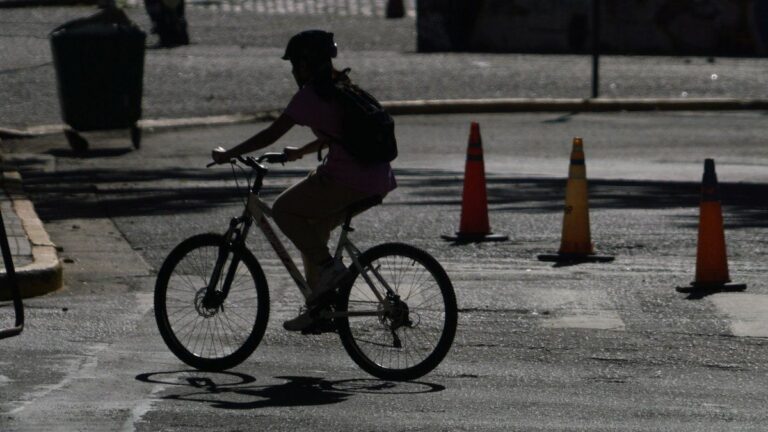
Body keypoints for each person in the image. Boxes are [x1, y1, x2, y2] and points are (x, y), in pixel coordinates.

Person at [211, 30, 397, 332]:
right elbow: (337, 135)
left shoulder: (310, 95)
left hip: (348, 178)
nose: (294, 72)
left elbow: (271, 133)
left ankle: (329, 270)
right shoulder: (342, 87)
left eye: (296, 65)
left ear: (307, 64)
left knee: (284, 209)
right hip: (377, 178)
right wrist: (301, 151)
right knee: (314, 230)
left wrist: (228, 154)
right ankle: (320, 307)